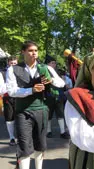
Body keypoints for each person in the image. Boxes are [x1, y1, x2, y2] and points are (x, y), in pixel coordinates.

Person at [6, 40, 65, 169]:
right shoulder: (13, 69)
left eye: (36, 51)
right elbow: (11, 91)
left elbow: (61, 83)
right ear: (23, 52)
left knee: (40, 145)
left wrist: (51, 80)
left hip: (42, 110)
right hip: (23, 111)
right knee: (24, 145)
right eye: (30, 51)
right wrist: (31, 90)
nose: (34, 53)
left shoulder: (46, 68)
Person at [44, 54, 69, 139]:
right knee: (49, 115)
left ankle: (62, 132)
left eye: (55, 63)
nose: (54, 64)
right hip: (48, 95)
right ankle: (48, 131)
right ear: (48, 63)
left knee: (60, 114)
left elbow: (63, 84)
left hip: (59, 96)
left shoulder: (58, 71)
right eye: (52, 63)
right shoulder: (44, 72)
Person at [2, 56, 18, 146]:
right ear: (8, 63)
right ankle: (11, 137)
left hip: (19, 97)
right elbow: (1, 89)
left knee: (20, 117)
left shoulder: (20, 71)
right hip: (8, 97)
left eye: (15, 63)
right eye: (11, 63)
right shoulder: (3, 73)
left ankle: (21, 137)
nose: (13, 65)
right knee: (9, 118)